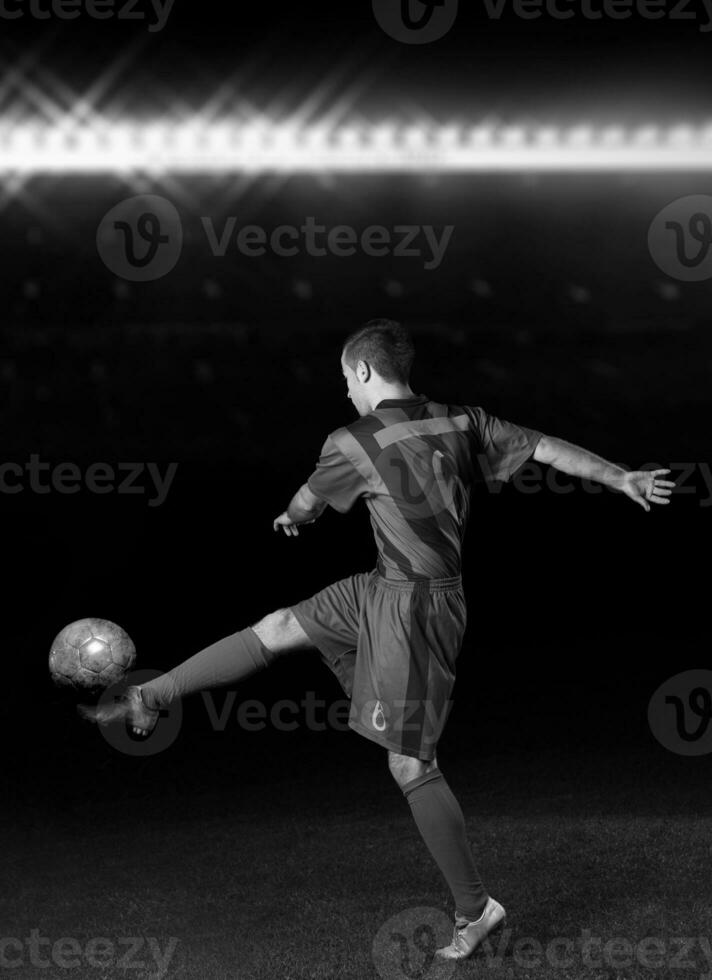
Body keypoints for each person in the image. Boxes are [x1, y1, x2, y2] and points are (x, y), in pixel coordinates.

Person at [80, 318, 674, 960]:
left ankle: (477, 910)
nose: (345, 391)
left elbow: (309, 499)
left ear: (363, 372)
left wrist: (293, 516)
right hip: (381, 587)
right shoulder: (461, 419)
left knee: (411, 764)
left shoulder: (352, 439)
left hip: (418, 610)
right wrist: (622, 478)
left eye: (345, 379)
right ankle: (153, 696)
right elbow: (547, 447)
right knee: (277, 627)